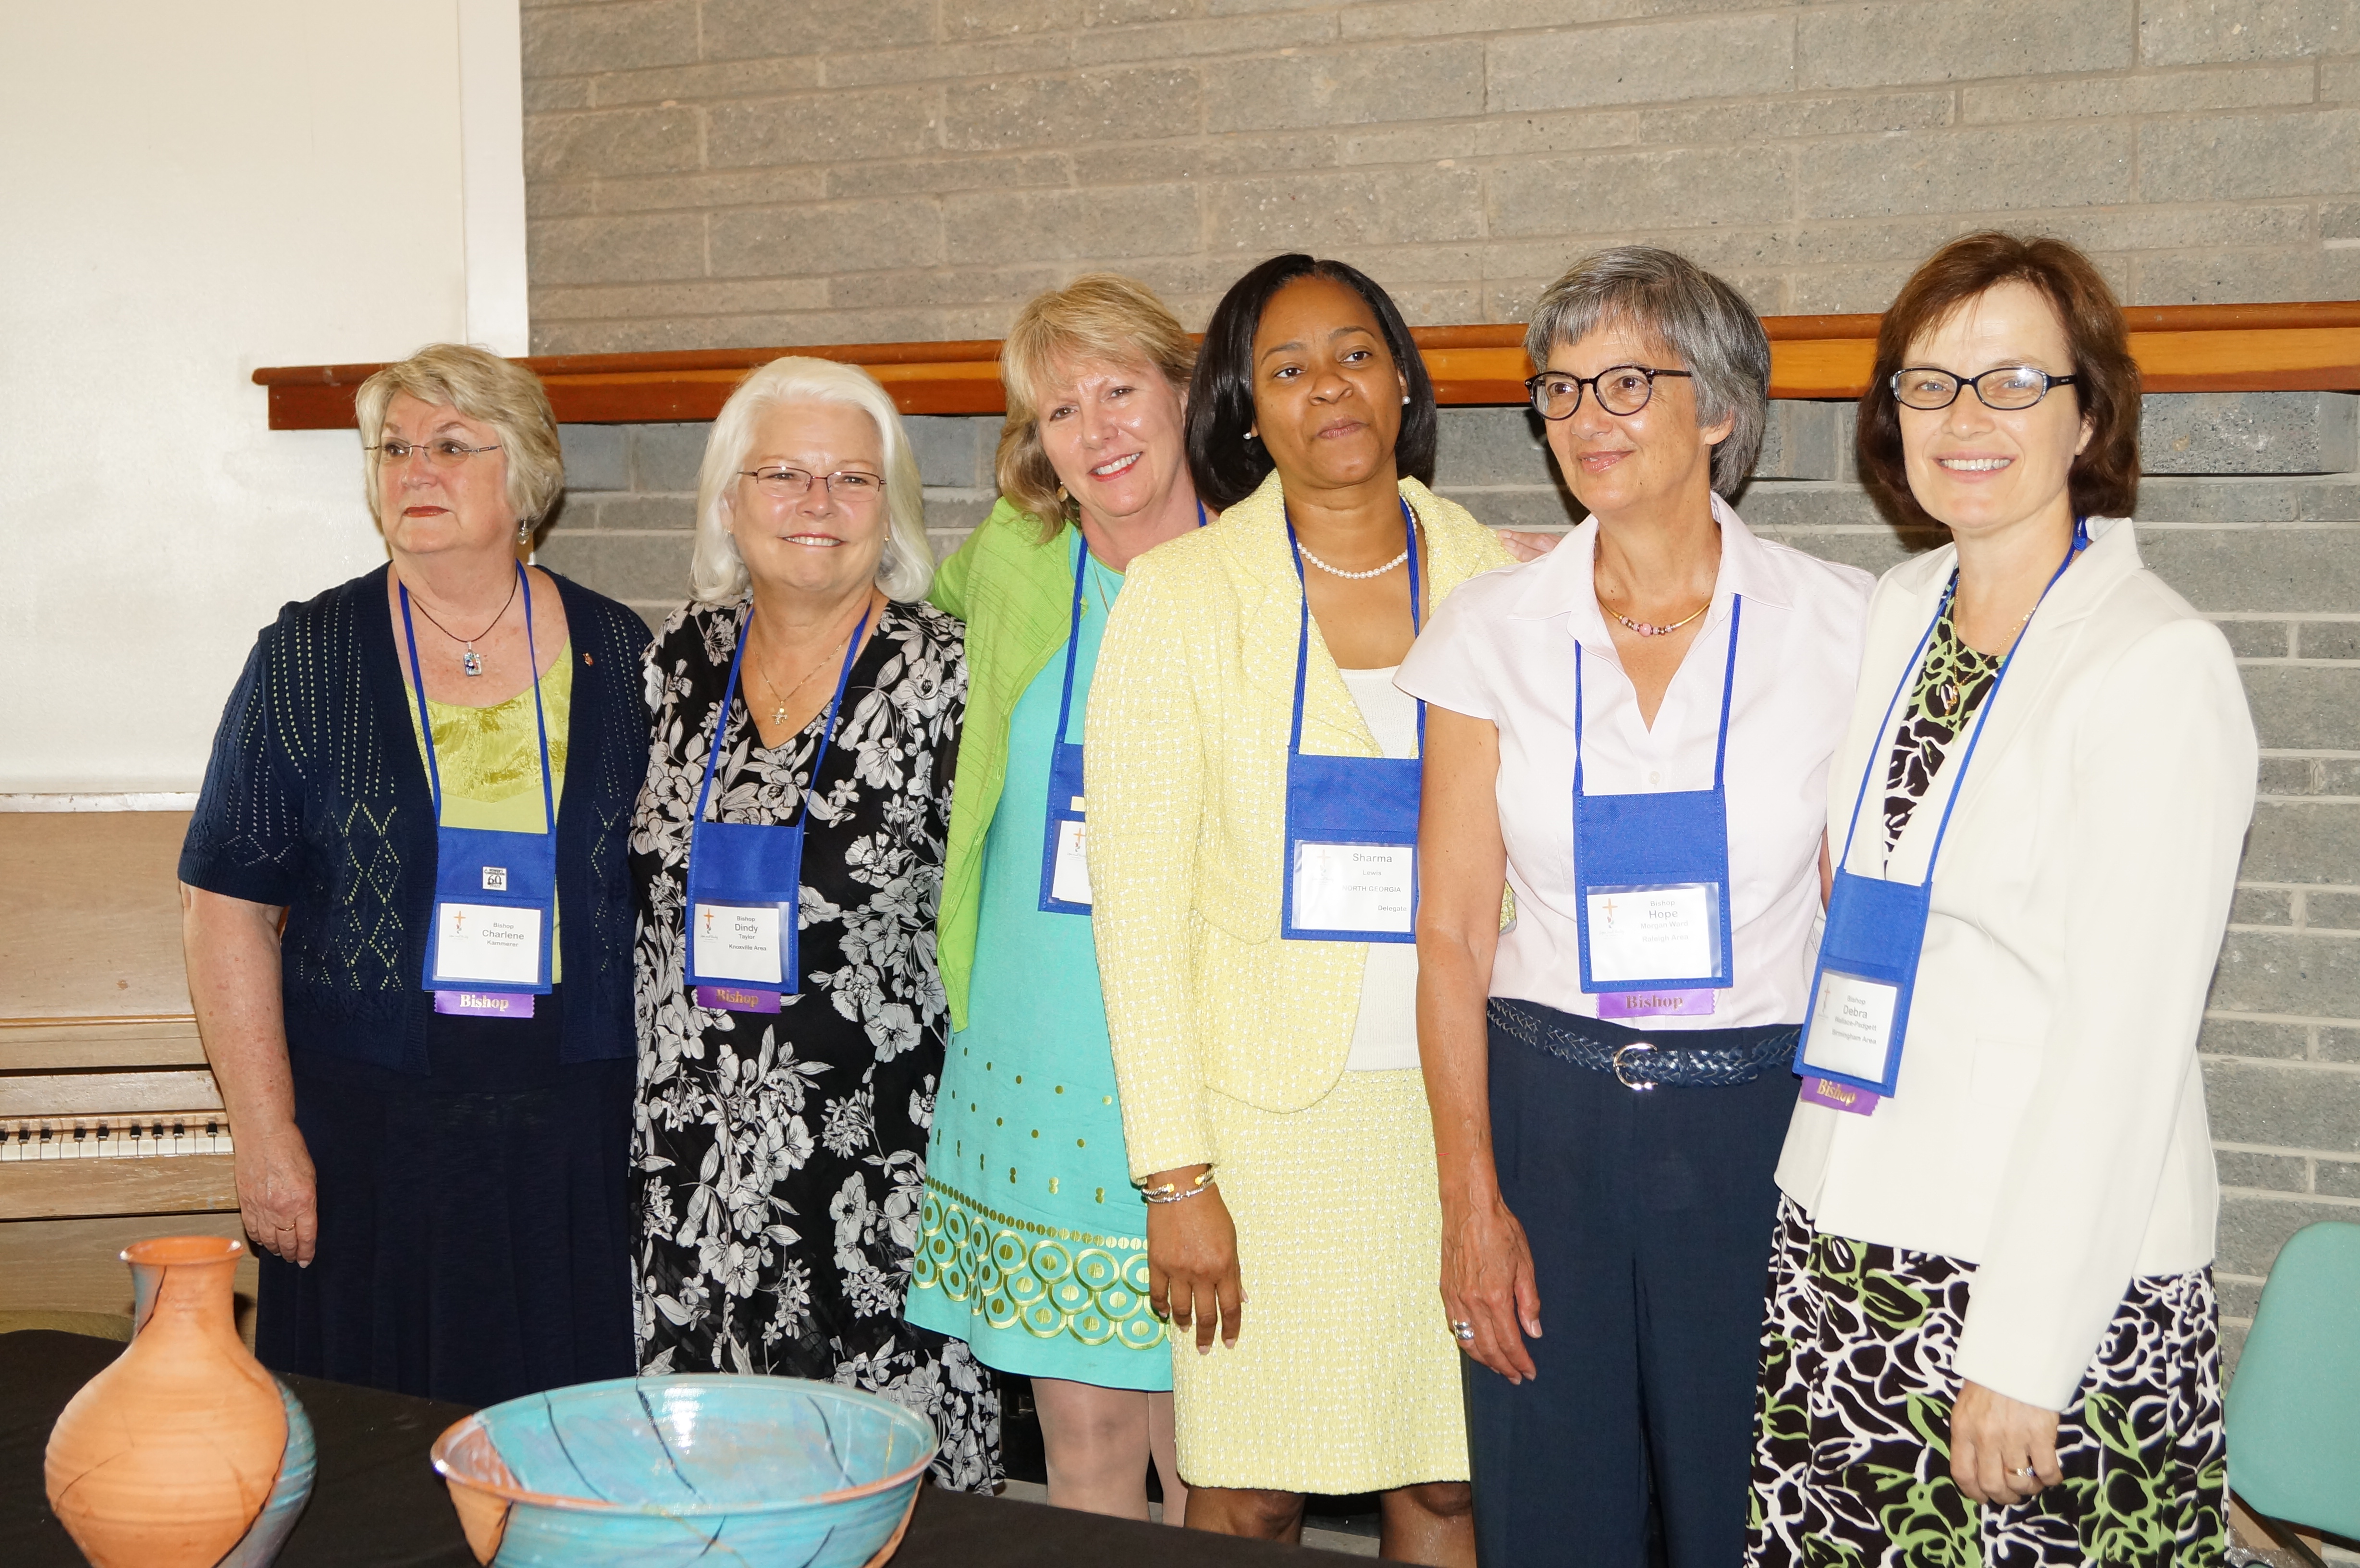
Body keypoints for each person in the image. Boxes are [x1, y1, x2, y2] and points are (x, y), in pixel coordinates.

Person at [1747, 233, 2256, 1566]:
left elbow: (2125, 1045)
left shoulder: (2158, 663)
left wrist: (2025, 1352)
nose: (1964, 419)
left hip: (2038, 1285)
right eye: (1929, 384)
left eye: (2013, 381)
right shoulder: (1900, 608)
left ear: (2090, 414)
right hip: (1850, 1239)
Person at [1398, 247, 1872, 1567]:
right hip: (1550, 1124)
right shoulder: (1489, 629)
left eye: (1626, 382)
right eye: (1559, 390)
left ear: (1720, 409)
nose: (1585, 418)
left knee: (1758, 1515)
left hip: (1760, 1128)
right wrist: (1470, 1201)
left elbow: (1866, 933)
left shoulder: (1847, 626)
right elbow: (1449, 936)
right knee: (1556, 1521)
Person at [1085, 254, 1511, 1564]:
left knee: (1447, 1482)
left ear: (1399, 381)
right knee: (1248, 1492)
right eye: (1287, 367)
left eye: (1354, 354)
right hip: (1264, 1135)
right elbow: (1137, 919)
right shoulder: (1184, 597)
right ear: (1246, 412)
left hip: (1458, 1116)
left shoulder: (1497, 578)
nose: (1327, 386)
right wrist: (1176, 1178)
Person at [179, 344, 649, 1405]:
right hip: (366, 1133)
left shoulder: (618, 652)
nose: (413, 471)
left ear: (525, 473)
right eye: (393, 449)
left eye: (448, 446)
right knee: (366, 1459)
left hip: (569, 1129)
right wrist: (266, 1139)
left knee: (558, 1441)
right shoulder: (307, 654)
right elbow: (225, 915)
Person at [629, 356, 996, 1490]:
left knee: (880, 1480)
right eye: (782, 473)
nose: (816, 504)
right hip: (688, 1149)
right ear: (728, 501)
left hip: (880, 1160)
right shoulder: (673, 659)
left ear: (889, 510)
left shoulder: (946, 674)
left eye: (851, 478)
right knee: (715, 1484)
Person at [905, 276, 1203, 1519]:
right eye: (1062, 411)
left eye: (1121, 390)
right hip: (1036, 1062)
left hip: (1200, 1066)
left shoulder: (1264, 568)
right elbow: (880, 611)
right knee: (1081, 1452)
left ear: (1184, 392)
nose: (1099, 431)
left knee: (1220, 1455)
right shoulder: (1016, 567)